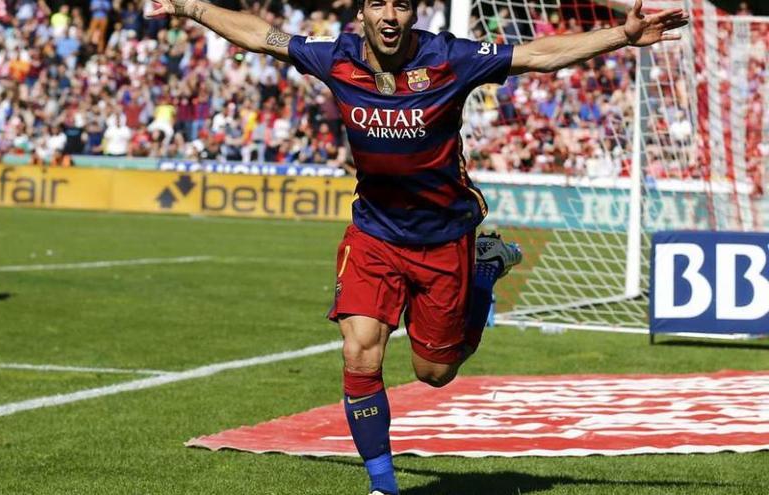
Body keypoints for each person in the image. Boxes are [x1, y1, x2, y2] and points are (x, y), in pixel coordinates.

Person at [146, 1, 687, 493]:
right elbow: (263, 35)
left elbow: (537, 55)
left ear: (412, 13)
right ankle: (383, 485)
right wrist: (191, 6)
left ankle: (483, 271)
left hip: (443, 238)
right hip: (374, 233)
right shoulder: (334, 57)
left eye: (400, 5)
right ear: (361, 12)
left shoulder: (449, 57)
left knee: (434, 373)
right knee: (360, 349)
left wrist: (621, 35)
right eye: (377, 3)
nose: (389, 15)